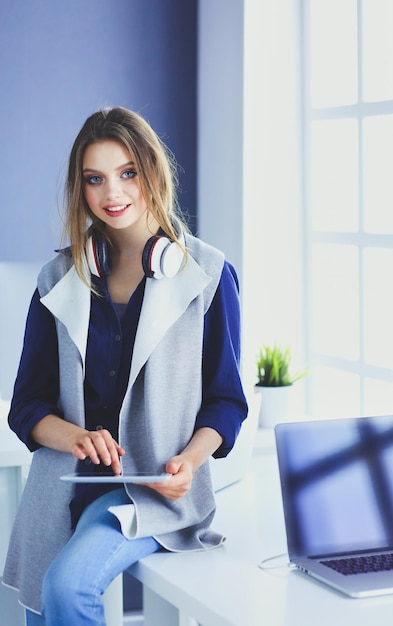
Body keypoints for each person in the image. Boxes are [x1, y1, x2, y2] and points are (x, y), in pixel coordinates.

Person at [3, 106, 248, 626]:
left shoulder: (208, 275)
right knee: (43, 608)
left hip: (153, 489)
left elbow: (226, 401)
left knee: (68, 590)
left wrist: (189, 461)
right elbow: (27, 404)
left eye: (127, 173)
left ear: (152, 172)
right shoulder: (58, 279)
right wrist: (74, 436)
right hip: (63, 484)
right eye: (95, 179)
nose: (112, 194)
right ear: (81, 188)